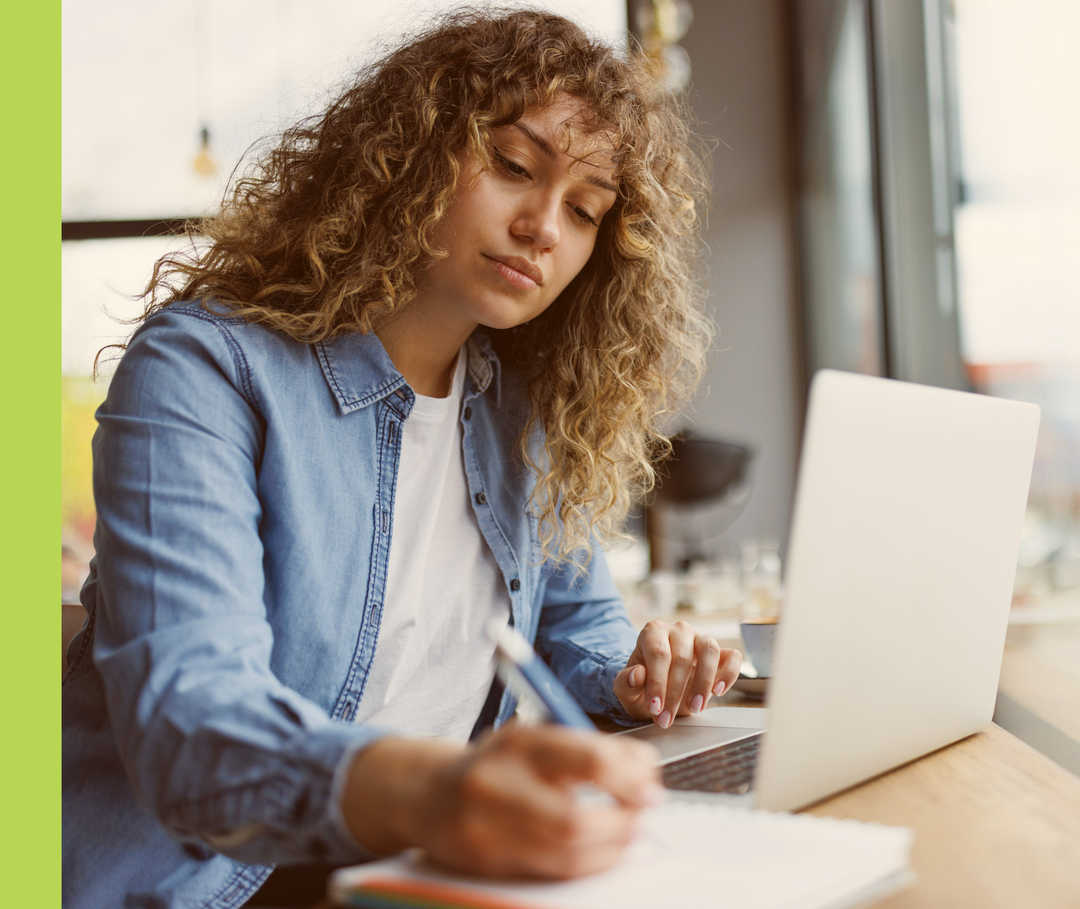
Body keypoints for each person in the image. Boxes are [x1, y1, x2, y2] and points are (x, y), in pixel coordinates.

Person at [62, 9, 742, 907]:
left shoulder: (521, 408)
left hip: (412, 869)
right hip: (199, 885)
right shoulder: (204, 370)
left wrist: (630, 673)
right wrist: (437, 792)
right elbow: (193, 731)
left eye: (585, 211)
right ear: (410, 151)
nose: (544, 227)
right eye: (511, 166)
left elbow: (575, 622)